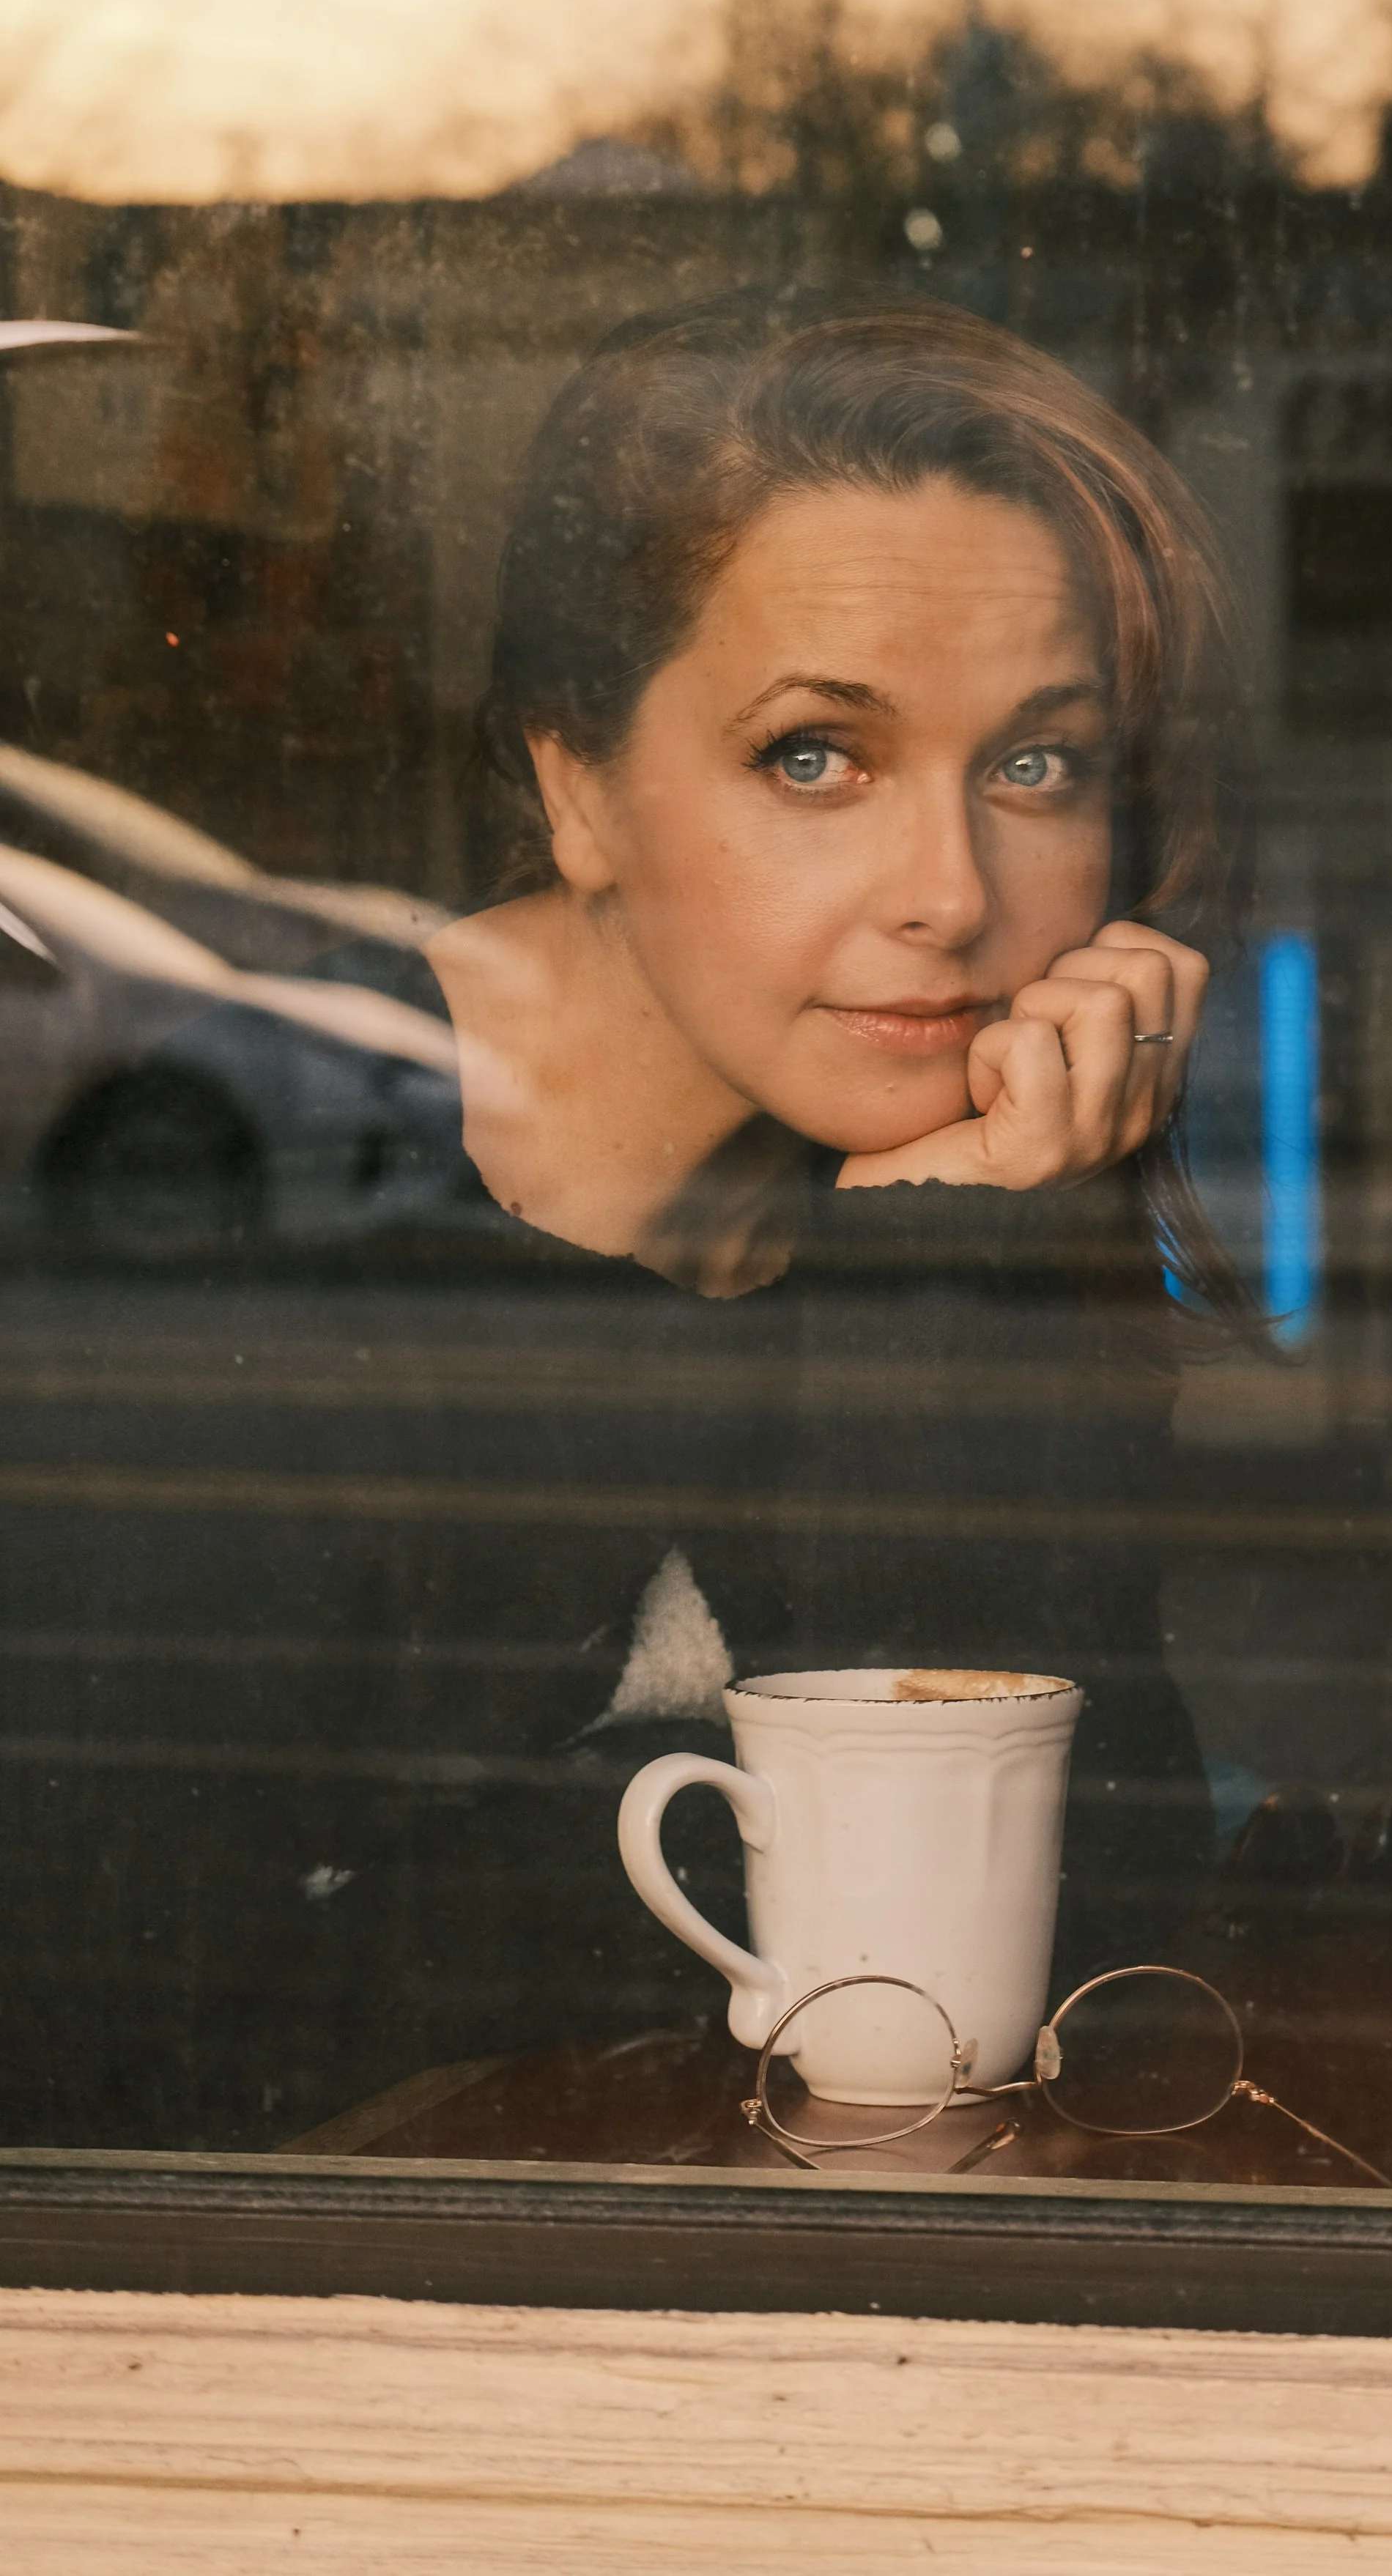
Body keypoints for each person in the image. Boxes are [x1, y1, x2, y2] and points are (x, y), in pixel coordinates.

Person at [10, 287, 1254, 2150]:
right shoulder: (271, 1216)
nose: (950, 892)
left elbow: (1060, 1970)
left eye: (1034, 763)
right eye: (815, 755)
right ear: (574, 788)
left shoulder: (941, 1209)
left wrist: (933, 1265)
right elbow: (120, 2050)